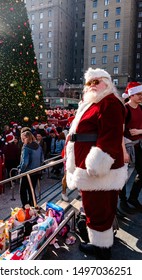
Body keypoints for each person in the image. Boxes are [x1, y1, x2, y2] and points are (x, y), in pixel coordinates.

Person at [65, 67, 127, 259]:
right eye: (89, 82)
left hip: (99, 171)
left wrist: (97, 164)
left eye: (96, 81)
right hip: (88, 168)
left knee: (99, 210)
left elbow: (111, 136)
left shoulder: (110, 102)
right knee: (94, 208)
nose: (92, 85)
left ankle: (102, 252)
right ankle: (100, 245)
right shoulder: (92, 103)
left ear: (107, 83)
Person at [119, 81, 142, 212]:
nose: (141, 96)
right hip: (126, 147)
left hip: (138, 146)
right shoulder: (125, 109)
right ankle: (122, 202)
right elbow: (119, 133)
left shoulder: (141, 108)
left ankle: (133, 198)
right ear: (131, 95)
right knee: (123, 177)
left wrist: (139, 132)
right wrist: (123, 152)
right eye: (138, 94)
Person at [17, 130, 44, 207]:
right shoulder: (38, 146)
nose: (22, 141)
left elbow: (25, 162)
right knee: (31, 190)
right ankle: (33, 205)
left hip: (27, 173)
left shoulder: (26, 147)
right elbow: (42, 160)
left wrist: (21, 170)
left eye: (23, 139)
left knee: (22, 190)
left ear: (26, 138)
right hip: (36, 172)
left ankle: (26, 207)